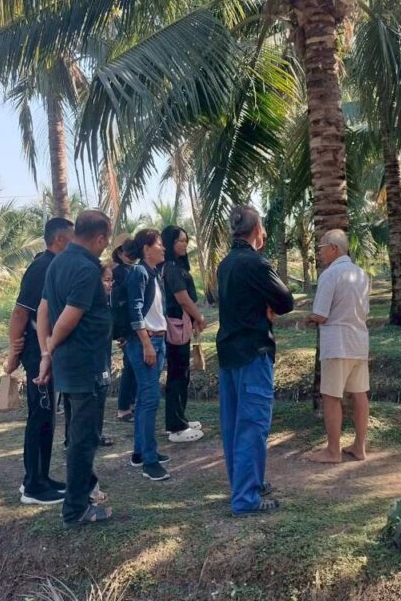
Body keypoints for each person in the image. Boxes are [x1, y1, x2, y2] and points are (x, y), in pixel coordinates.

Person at [37, 209, 115, 526]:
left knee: (77, 434)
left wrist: (46, 353)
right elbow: (69, 317)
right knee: (84, 438)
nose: (105, 245)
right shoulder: (85, 267)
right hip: (86, 365)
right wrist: (51, 348)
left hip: (69, 366)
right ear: (99, 237)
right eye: (106, 240)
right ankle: (75, 509)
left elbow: (43, 311)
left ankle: (84, 492)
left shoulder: (57, 262)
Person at [216, 205, 294, 516]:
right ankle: (246, 498)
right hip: (253, 352)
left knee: (234, 425)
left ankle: (246, 484)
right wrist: (268, 306)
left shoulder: (225, 264)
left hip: (228, 352)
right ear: (258, 229)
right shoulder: (256, 263)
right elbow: (285, 301)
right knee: (253, 425)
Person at [6, 217, 74, 506]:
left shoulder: (55, 265)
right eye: (72, 237)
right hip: (38, 354)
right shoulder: (42, 267)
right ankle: (33, 484)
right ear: (59, 240)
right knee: (40, 415)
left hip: (49, 351)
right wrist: (13, 353)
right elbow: (20, 313)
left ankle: (41, 476)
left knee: (47, 416)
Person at [304, 230, 371, 464]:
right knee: (359, 394)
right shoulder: (361, 274)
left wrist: (308, 317)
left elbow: (321, 315)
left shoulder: (330, 274)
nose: (320, 253)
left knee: (331, 396)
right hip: (358, 342)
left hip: (337, 344)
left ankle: (333, 451)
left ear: (333, 248)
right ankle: (359, 447)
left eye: (321, 248)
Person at [125, 228, 171, 481]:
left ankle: (140, 452)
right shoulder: (139, 272)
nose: (163, 248)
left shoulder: (152, 273)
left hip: (156, 340)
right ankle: (149, 462)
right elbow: (135, 310)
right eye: (159, 244)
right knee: (150, 399)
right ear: (146, 249)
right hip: (147, 341)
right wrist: (146, 344)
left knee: (145, 398)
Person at [160, 225, 206, 443]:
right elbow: (183, 299)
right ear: (170, 243)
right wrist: (199, 317)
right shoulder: (171, 268)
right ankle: (176, 426)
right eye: (180, 241)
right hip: (176, 325)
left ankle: (180, 418)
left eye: (186, 241)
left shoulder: (176, 266)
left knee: (181, 373)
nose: (185, 245)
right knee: (177, 374)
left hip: (181, 323)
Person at [111, 234, 138, 423]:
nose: (130, 255)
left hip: (133, 327)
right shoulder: (118, 273)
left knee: (134, 366)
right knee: (129, 367)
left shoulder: (133, 270)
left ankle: (131, 403)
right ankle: (123, 408)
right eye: (126, 252)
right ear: (119, 253)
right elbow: (118, 307)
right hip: (127, 328)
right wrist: (121, 333)